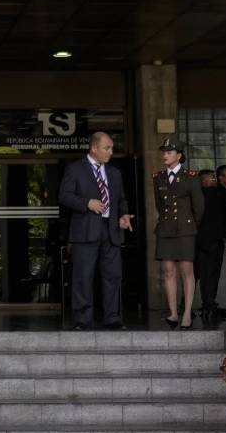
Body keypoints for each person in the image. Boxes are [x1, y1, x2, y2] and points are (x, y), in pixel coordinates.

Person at [57, 131, 134, 330]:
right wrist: (87, 203)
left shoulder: (115, 173)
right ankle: (82, 320)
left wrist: (124, 215)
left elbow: (121, 200)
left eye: (112, 148)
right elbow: (64, 196)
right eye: (107, 148)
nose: (111, 152)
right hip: (85, 230)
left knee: (113, 276)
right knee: (83, 276)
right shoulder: (75, 169)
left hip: (111, 230)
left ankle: (112, 318)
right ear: (94, 148)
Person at [152, 137, 203, 329]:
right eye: (163, 152)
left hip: (185, 229)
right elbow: (159, 205)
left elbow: (199, 208)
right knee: (168, 271)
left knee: (187, 271)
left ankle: (187, 313)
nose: (165, 155)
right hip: (165, 229)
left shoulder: (191, 176)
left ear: (179, 155)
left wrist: (189, 226)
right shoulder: (158, 178)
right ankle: (173, 313)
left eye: (169, 152)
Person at [195, 166, 226, 327]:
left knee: (197, 273)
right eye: (212, 177)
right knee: (212, 274)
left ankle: (189, 304)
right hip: (215, 239)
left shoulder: (195, 196)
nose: (214, 179)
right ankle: (209, 304)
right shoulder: (222, 195)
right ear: (206, 180)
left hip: (197, 240)